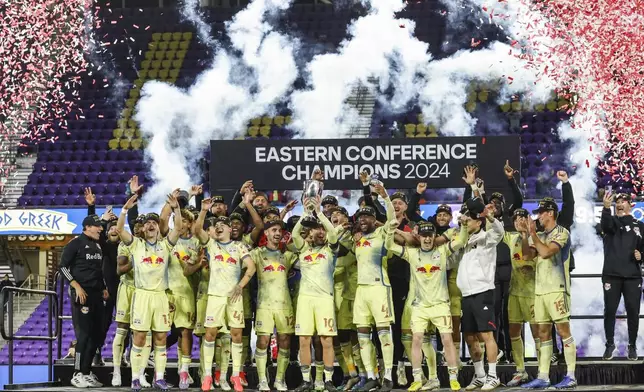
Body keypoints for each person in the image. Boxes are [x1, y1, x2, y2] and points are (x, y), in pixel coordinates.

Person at [385, 219, 468, 392]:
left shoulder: (443, 251)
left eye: (430, 236)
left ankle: (453, 377)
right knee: (417, 340)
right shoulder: (412, 253)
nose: (427, 239)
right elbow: (390, 246)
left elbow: (460, 241)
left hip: (440, 305)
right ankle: (417, 378)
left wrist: (465, 226)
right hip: (420, 306)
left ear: (434, 236)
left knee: (447, 340)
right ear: (419, 237)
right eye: (424, 236)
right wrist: (390, 230)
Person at [116, 194, 183, 392]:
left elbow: (178, 228)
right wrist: (124, 210)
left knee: (161, 338)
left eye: (154, 222)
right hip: (142, 296)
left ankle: (159, 378)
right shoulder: (136, 244)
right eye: (147, 223)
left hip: (160, 296)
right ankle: (135, 377)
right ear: (143, 228)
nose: (151, 225)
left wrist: (176, 209)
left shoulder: (165, 245)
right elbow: (119, 230)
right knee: (139, 337)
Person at [194, 198, 257, 392]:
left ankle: (236, 376)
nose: (219, 227)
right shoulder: (212, 245)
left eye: (223, 225)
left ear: (231, 229)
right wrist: (204, 211)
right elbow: (197, 230)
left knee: (236, 336)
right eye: (217, 225)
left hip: (234, 298)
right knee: (210, 335)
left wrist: (240, 285)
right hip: (215, 296)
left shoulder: (239, 246)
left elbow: (251, 267)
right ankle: (206, 376)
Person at [520, 198, 577, 389]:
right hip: (540, 290)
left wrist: (533, 234)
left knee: (563, 331)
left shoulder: (562, 232)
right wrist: (523, 235)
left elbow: (546, 253)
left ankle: (571, 375)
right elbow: (528, 256)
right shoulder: (541, 234)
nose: (538, 216)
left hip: (557, 289)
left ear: (550, 213)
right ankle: (543, 376)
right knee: (543, 333)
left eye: (541, 213)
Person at [291, 196, 340, 392]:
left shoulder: (330, 250)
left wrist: (319, 212)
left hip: (324, 299)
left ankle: (327, 380)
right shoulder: (303, 250)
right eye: (316, 229)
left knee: (326, 340)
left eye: (322, 229)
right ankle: (306, 380)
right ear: (309, 232)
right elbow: (295, 235)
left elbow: (333, 234)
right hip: (305, 299)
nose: (320, 232)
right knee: (304, 340)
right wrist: (305, 212)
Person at [352, 183, 397, 392]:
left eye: (367, 216)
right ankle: (371, 376)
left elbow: (393, 219)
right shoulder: (357, 240)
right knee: (362, 334)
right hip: (361, 291)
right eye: (360, 217)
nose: (363, 220)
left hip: (379, 288)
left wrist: (385, 197)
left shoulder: (382, 234)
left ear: (374, 220)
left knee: (384, 334)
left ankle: (387, 376)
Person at [456, 198, 504, 391]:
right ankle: (480, 375)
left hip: (483, 292)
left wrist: (490, 216)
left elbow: (499, 231)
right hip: (466, 294)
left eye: (469, 220)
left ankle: (493, 376)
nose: (465, 222)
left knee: (486, 335)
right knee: (469, 336)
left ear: (478, 222)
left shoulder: (487, 237)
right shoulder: (463, 240)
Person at [59, 214, 109, 388]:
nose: (101, 229)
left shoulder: (97, 245)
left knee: (96, 335)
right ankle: (77, 372)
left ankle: (87, 372)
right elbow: (63, 267)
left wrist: (103, 287)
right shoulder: (75, 243)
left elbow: (97, 270)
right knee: (85, 335)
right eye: (97, 226)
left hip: (96, 294)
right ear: (87, 227)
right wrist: (76, 286)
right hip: (82, 294)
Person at [250, 219, 297, 391]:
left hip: (285, 305)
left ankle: (280, 379)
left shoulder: (288, 256)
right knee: (263, 341)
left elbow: (303, 257)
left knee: (285, 342)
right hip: (264, 305)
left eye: (280, 231)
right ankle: (263, 380)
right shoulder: (257, 254)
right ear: (266, 233)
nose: (277, 233)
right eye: (274, 230)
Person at [600, 191, 644, 360]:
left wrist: (641, 255)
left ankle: (632, 346)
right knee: (609, 310)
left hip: (633, 276)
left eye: (623, 201)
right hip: (612, 274)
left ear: (630, 205)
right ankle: (609, 344)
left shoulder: (640, 225)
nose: (619, 203)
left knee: (633, 312)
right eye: (617, 201)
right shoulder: (611, 222)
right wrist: (605, 209)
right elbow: (604, 226)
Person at [504, 208, 538, 387]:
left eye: (522, 218)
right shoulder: (510, 238)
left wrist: (526, 234)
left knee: (538, 333)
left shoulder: (536, 237)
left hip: (532, 293)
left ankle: (543, 371)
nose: (519, 221)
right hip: (514, 292)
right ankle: (520, 371)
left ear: (529, 219)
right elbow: (494, 226)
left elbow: (527, 255)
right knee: (513, 332)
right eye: (516, 219)